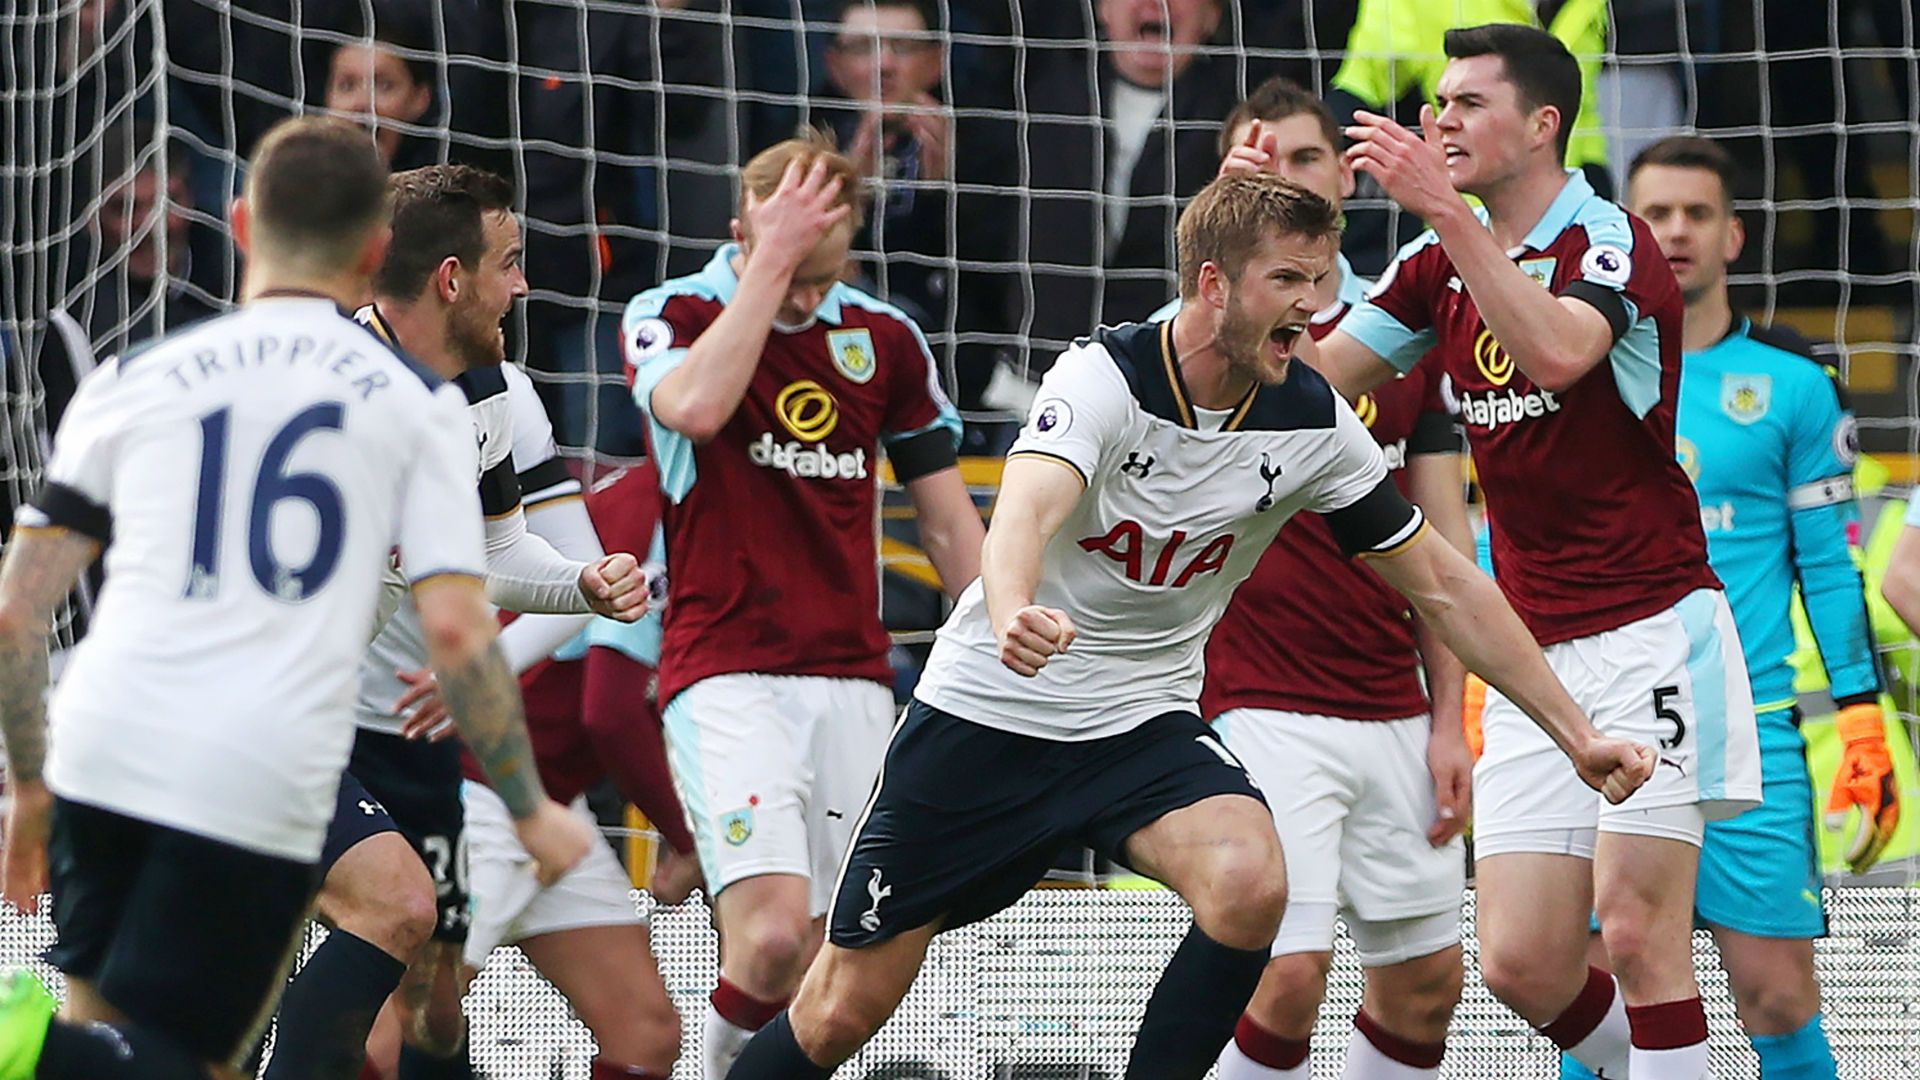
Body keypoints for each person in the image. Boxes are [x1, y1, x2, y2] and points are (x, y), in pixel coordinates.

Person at [724, 169, 1653, 1080]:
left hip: (1140, 725)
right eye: (1287, 280)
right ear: (1215, 284)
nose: (1313, 305)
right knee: (841, 1008)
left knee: (1252, 884)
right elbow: (1025, 510)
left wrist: (1577, 735)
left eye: (1320, 279)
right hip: (991, 719)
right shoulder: (1105, 378)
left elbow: (1447, 586)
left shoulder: (1312, 421)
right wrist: (1010, 611)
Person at [0, 115, 596, 1080]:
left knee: (114, 1032)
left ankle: (49, 1051)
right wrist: (530, 808)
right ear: (373, 252)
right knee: (196, 1062)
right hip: (256, 761)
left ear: (238, 226)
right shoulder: (418, 407)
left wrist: (29, 787)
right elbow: (455, 625)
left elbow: (18, 614)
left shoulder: (129, 379)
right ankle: (31, 1051)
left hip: (101, 747)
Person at [1311, 24, 1763, 1080]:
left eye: (1469, 103)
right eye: (1437, 103)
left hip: (1653, 630)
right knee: (1519, 961)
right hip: (1531, 653)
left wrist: (1445, 221)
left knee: (1641, 932)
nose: (1442, 121)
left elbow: (1558, 352)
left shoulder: (1607, 239)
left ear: (1543, 124)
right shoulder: (1434, 260)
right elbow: (1320, 379)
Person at [264, 164, 649, 1080]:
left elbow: (501, 556)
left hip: (292, 721)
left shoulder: (481, 394)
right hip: (226, 708)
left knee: (387, 936)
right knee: (384, 914)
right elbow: (450, 619)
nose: (523, 286)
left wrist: (583, 585)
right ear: (451, 279)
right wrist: (525, 805)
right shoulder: (329, 392)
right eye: (509, 263)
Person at [622, 131, 984, 1079]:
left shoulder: (886, 337)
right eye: (791, 269)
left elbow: (947, 523)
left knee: (831, 972)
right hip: (723, 669)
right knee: (774, 937)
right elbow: (696, 410)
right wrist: (769, 270)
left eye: (823, 276)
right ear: (743, 227)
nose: (804, 297)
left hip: (853, 679)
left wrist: (998, 626)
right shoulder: (676, 311)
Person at [1156, 80, 1475, 1080]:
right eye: (1264, 165)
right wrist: (1222, 238)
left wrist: (1448, 715)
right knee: (1285, 974)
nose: (1285, 179)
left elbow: (1444, 541)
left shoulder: (1406, 335)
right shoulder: (1211, 335)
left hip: (1391, 702)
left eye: (1305, 160)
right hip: (1259, 698)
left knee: (1428, 985)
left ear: (1346, 175)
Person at [1558, 133, 1894, 1080]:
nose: (1675, 232)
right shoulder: (1576, 372)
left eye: (1697, 214)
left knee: (1779, 994)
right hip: (1609, 720)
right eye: (1655, 214)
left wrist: (1863, 716)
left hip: (1753, 726)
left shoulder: (1793, 386)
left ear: (1735, 235)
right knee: (1600, 983)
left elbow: (1829, 570)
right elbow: (1515, 543)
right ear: (1623, 232)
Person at [815, 0, 951, 326]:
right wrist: (849, 188)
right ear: (835, 65)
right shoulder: (805, 137)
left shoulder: (984, 139)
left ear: (937, 61)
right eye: (863, 47)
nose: (884, 64)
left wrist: (945, 188)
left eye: (904, 47)